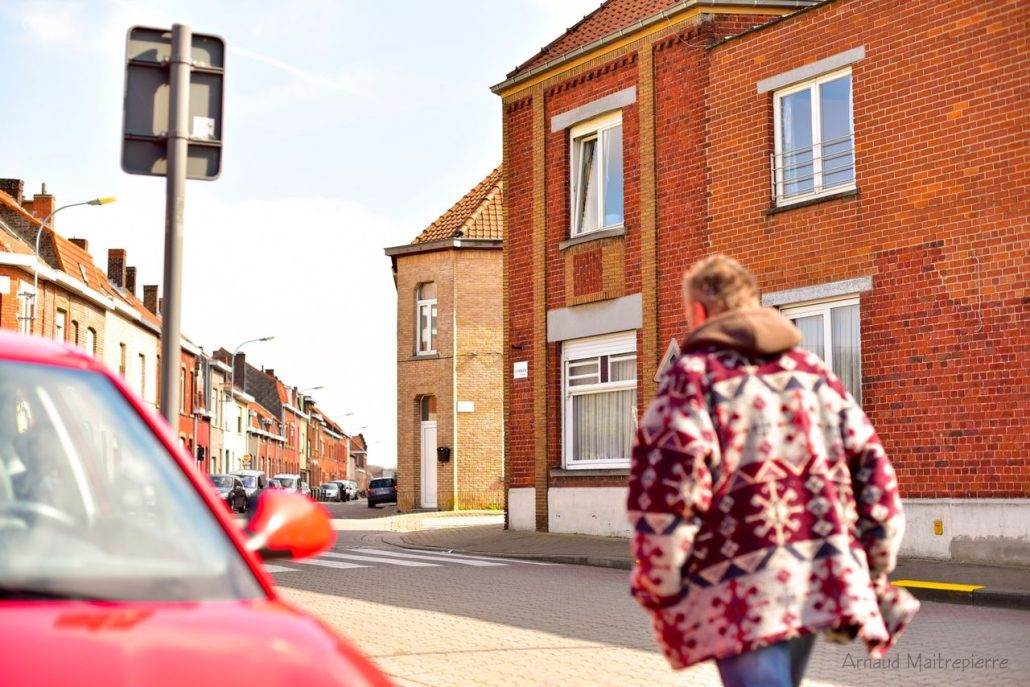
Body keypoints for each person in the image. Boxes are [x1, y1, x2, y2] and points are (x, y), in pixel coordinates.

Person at [627, 255, 918, 687]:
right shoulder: (814, 374)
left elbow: (667, 494)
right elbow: (875, 473)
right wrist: (875, 564)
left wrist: (659, 586)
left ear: (700, 312)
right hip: (820, 577)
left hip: (741, 590)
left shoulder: (693, 378)